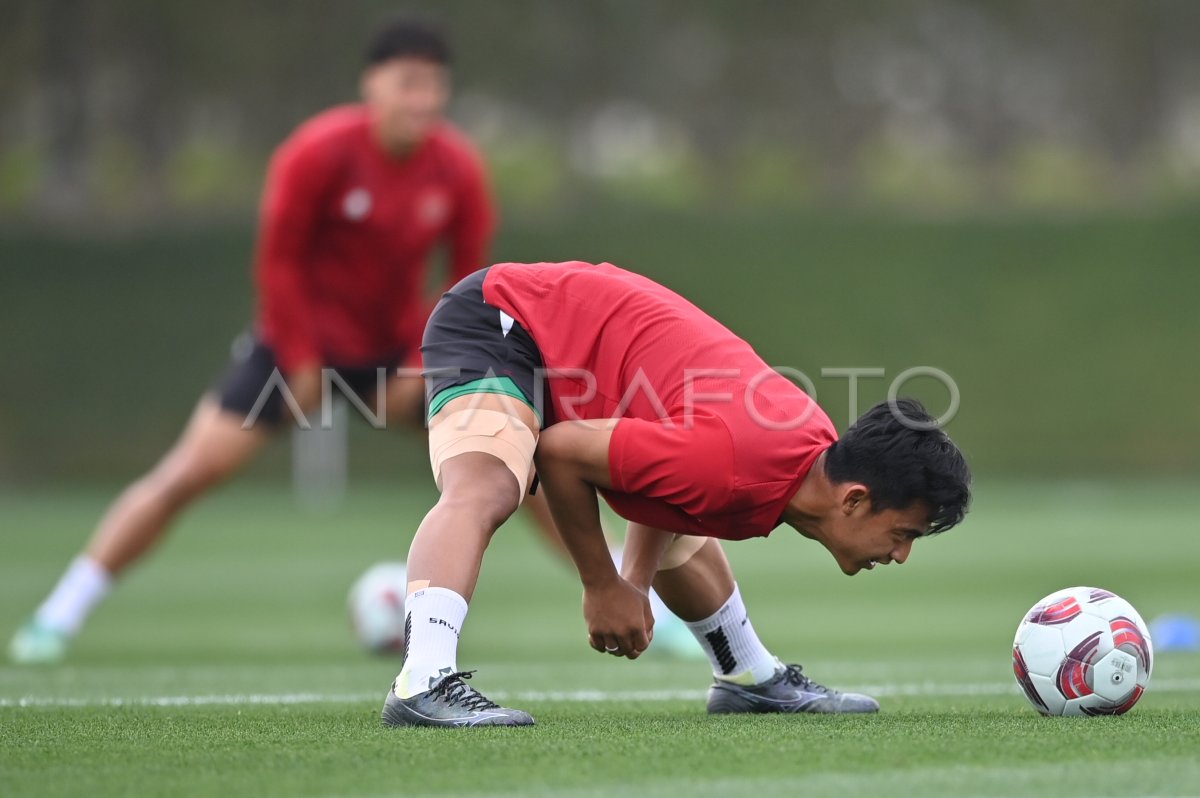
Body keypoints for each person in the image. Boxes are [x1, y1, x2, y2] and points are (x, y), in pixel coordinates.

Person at [9, 19, 494, 664]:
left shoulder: (457, 167)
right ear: (371, 85)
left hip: (392, 359)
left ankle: (638, 606)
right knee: (186, 474)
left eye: (435, 86)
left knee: (510, 458)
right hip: (293, 352)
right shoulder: (317, 152)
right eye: (408, 83)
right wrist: (299, 359)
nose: (423, 100)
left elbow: (463, 278)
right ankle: (56, 617)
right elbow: (279, 265)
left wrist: (416, 363)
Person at [379, 261, 972, 727]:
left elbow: (673, 495)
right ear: (855, 500)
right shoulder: (738, 460)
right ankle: (423, 679)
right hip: (503, 320)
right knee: (487, 484)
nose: (900, 555)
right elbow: (561, 452)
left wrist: (633, 584)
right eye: (903, 534)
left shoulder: (795, 458)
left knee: (694, 526)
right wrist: (602, 584)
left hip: (567, 340)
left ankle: (748, 678)